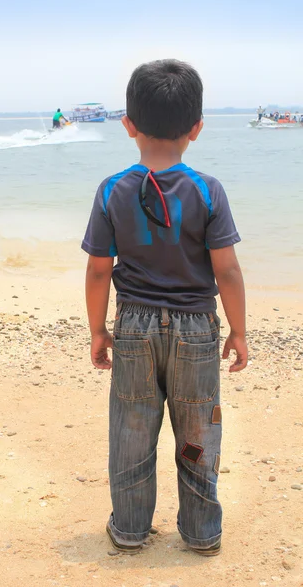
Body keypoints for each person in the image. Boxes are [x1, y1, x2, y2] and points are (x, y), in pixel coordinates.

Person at [82, 59, 248, 557]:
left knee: (132, 427)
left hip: (132, 326)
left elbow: (97, 270)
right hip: (197, 329)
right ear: (196, 128)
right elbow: (228, 271)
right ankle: (200, 534)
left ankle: (130, 529)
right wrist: (238, 332)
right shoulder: (207, 189)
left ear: (128, 125)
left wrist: (98, 331)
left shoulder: (111, 189)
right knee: (198, 428)